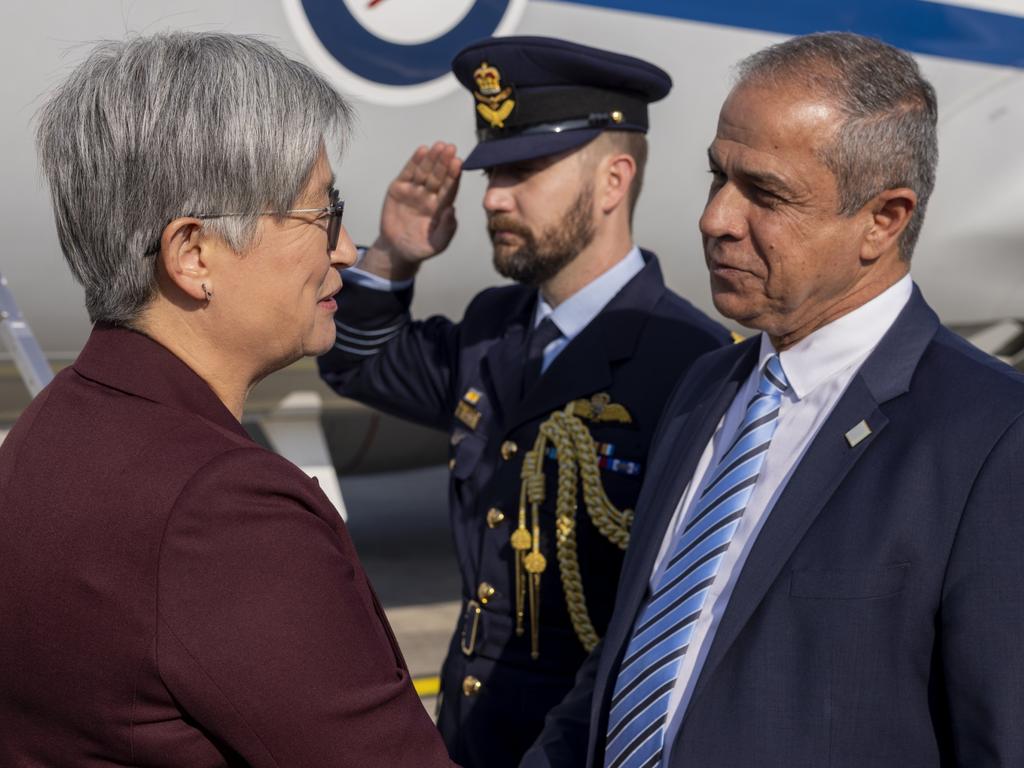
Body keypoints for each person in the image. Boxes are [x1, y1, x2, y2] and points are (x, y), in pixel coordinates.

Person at [524, 31, 1024, 768]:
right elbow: (640, 648)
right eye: (717, 177)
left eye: (766, 193)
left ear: (883, 220)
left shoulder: (991, 438)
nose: (716, 218)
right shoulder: (706, 388)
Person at [0, 32, 456, 768]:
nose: (344, 250)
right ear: (194, 254)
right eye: (321, 215)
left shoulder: (46, 432)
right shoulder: (223, 513)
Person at [317, 36, 730, 768]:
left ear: (612, 180)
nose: (493, 197)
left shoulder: (690, 362)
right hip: (469, 737)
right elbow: (357, 365)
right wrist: (394, 253)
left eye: (524, 171)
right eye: (490, 172)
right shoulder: (492, 329)